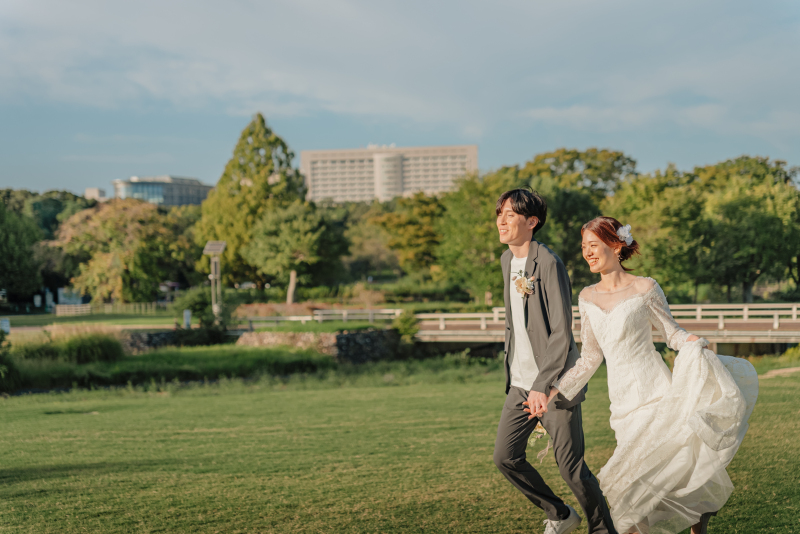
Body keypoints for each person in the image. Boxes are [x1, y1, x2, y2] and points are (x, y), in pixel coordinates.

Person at [548, 216, 758, 534]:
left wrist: (690, 343)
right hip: (621, 405)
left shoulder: (645, 288)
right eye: (583, 247)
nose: (587, 253)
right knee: (632, 486)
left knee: (672, 469)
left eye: (593, 245)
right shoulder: (586, 298)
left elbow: (671, 333)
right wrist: (559, 391)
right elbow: (591, 356)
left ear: (616, 246)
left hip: (657, 392)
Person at [493, 189, 617, 534]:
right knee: (506, 457)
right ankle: (560, 515)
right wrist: (524, 383)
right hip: (519, 383)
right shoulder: (506, 261)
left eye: (510, 215)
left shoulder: (548, 262)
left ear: (531, 222)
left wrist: (541, 387)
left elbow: (562, 333)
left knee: (571, 469)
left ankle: (603, 530)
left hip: (555, 384)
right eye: (499, 214)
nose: (502, 221)